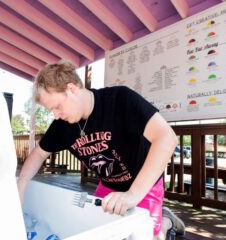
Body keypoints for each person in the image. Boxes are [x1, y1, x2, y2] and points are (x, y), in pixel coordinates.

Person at [17, 61, 185, 239]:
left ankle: (165, 221)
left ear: (72, 89)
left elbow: (167, 138)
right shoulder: (61, 126)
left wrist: (133, 194)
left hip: (144, 184)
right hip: (109, 186)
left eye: (57, 107)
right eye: (52, 110)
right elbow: (39, 153)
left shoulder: (119, 99)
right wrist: (21, 184)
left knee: (150, 235)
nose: (56, 115)